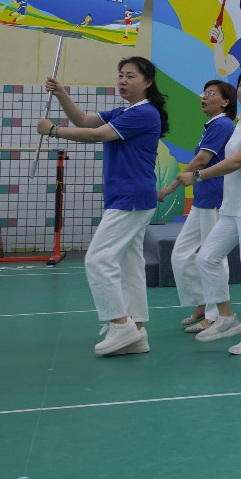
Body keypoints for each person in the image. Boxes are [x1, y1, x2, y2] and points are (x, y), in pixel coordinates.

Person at [38, 57, 169, 356]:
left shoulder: (145, 113)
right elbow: (85, 121)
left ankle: (120, 325)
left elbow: (96, 135)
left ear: (147, 82)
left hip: (130, 198)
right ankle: (136, 330)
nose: (123, 81)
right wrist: (61, 94)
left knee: (98, 259)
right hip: (128, 197)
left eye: (130, 76)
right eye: (120, 75)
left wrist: (53, 130)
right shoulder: (124, 111)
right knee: (129, 265)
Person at [173, 66, 241, 354]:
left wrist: (197, 175)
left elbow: (237, 161)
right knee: (207, 258)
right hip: (233, 207)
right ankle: (227, 318)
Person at [158, 80, 235, 331]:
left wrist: (171, 186)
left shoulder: (222, 124)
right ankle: (203, 303)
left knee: (214, 257)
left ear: (225, 102)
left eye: (211, 94)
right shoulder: (212, 125)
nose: (204, 97)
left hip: (214, 200)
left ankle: (216, 314)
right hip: (202, 200)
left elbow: (202, 160)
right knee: (181, 254)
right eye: (204, 93)